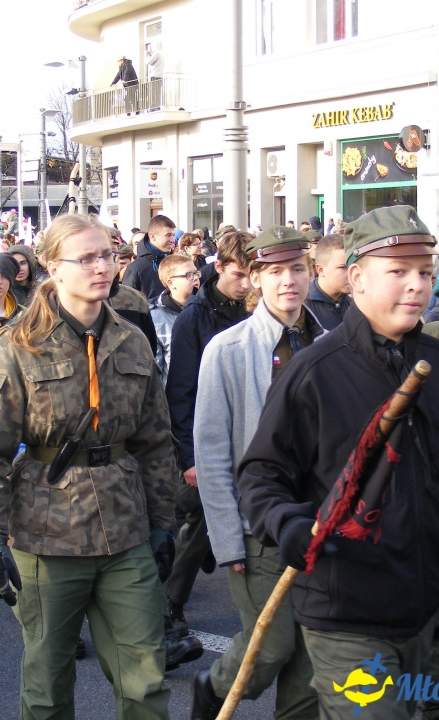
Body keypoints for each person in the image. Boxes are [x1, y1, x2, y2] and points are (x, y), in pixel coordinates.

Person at [238, 207, 439, 719]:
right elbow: (261, 475)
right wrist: (287, 523)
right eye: (398, 271)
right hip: (345, 610)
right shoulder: (314, 371)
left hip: (427, 604)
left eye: (425, 271)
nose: (417, 285)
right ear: (356, 278)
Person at [0, 213, 178, 720]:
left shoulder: (132, 339)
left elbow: (154, 441)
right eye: (86, 258)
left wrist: (164, 522)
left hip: (125, 528)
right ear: (53, 267)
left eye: (108, 255)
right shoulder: (18, 344)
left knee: (145, 678)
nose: (102, 267)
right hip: (46, 534)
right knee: (48, 682)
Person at [190, 226, 322, 719]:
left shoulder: (331, 343)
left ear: (311, 273)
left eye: (297, 269)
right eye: (275, 271)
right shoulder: (228, 349)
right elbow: (212, 451)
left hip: (318, 523)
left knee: (311, 658)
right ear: (255, 279)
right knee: (271, 646)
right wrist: (227, 539)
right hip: (257, 528)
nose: (288, 281)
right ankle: (214, 687)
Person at [163, 231, 252, 634]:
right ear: (219, 268)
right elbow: (180, 393)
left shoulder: (254, 309)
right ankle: (172, 601)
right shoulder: (194, 317)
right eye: (238, 275)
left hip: (250, 430)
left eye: (251, 275)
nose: (246, 284)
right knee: (202, 521)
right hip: (208, 436)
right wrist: (189, 458)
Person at [150, 254, 200, 385]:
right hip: (173, 390)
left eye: (196, 273)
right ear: (171, 283)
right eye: (188, 275)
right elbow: (156, 367)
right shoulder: (155, 317)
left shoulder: (207, 309)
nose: (195, 278)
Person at [122, 215, 178, 301]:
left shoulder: (174, 263)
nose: (172, 240)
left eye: (173, 235)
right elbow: (127, 302)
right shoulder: (136, 269)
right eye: (168, 235)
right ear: (153, 236)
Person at [304, 233, 351, 331]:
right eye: (343, 267)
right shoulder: (303, 307)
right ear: (321, 270)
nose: (351, 273)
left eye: (352, 266)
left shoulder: (358, 303)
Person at [145, 43, 164, 110]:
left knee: (153, 92)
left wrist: (147, 56)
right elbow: (154, 62)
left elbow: (148, 62)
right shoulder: (161, 54)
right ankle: (157, 106)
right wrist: (151, 56)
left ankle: (153, 107)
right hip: (160, 76)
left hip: (154, 75)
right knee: (158, 92)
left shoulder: (156, 53)